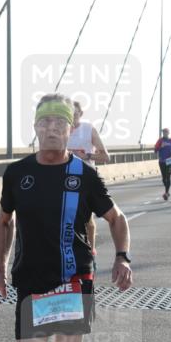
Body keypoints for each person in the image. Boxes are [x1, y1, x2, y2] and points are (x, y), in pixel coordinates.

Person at [0, 94, 133, 342]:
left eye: (59, 123)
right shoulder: (18, 173)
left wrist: (121, 257)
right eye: (45, 123)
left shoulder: (84, 174)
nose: (52, 129)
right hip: (30, 281)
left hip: (73, 279)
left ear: (71, 129)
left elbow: (116, 219)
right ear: (35, 128)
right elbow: (5, 221)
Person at [67, 100, 110, 254]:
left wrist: (86, 155)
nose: (72, 117)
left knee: (87, 219)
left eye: (75, 113)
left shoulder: (88, 129)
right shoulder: (59, 131)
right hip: (63, 178)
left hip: (85, 177)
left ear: (81, 114)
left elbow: (106, 157)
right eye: (69, 113)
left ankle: (90, 250)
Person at [154, 128, 171, 200]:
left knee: (168, 176)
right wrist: (161, 147)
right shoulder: (160, 140)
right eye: (164, 132)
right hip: (162, 161)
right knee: (164, 179)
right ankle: (167, 191)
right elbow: (155, 150)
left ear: (168, 133)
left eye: (166, 132)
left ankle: (166, 192)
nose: (165, 133)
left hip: (169, 160)